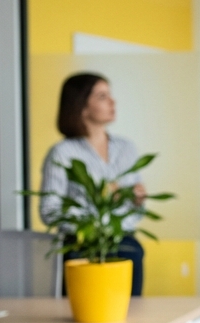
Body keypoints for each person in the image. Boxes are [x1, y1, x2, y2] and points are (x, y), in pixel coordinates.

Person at [40, 72, 147, 295]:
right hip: (82, 245)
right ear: (82, 106)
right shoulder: (63, 153)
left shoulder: (126, 148)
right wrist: (95, 209)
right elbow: (50, 211)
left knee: (130, 314)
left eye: (110, 95)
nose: (112, 102)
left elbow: (136, 213)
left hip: (123, 242)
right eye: (102, 96)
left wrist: (137, 200)